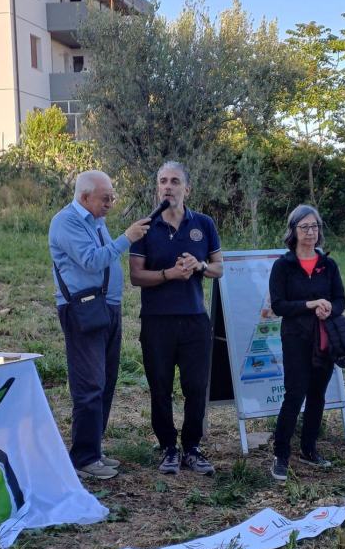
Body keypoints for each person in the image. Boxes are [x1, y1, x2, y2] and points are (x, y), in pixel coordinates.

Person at [49, 170, 150, 479]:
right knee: (89, 384)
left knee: (105, 382)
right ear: (84, 197)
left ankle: (94, 450)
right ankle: (83, 457)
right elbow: (92, 260)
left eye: (112, 197)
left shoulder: (96, 221)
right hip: (83, 310)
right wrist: (127, 238)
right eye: (106, 198)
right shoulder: (66, 222)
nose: (111, 203)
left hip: (106, 308)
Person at [129, 161, 223, 476]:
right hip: (157, 321)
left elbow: (218, 268)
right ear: (158, 187)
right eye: (163, 181)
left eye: (175, 181)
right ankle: (169, 447)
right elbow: (136, 277)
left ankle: (192, 448)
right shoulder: (144, 227)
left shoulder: (205, 224)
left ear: (187, 188)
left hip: (195, 320)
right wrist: (170, 274)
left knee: (196, 386)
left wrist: (198, 267)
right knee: (160, 387)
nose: (168, 186)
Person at [268, 204, 345, 482]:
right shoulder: (283, 266)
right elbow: (278, 305)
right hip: (296, 339)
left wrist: (329, 310)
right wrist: (309, 304)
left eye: (315, 227)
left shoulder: (329, 264)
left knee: (317, 396)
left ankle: (309, 449)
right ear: (293, 231)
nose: (311, 232)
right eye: (305, 227)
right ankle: (281, 454)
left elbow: (340, 301)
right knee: (294, 394)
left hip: (325, 339)